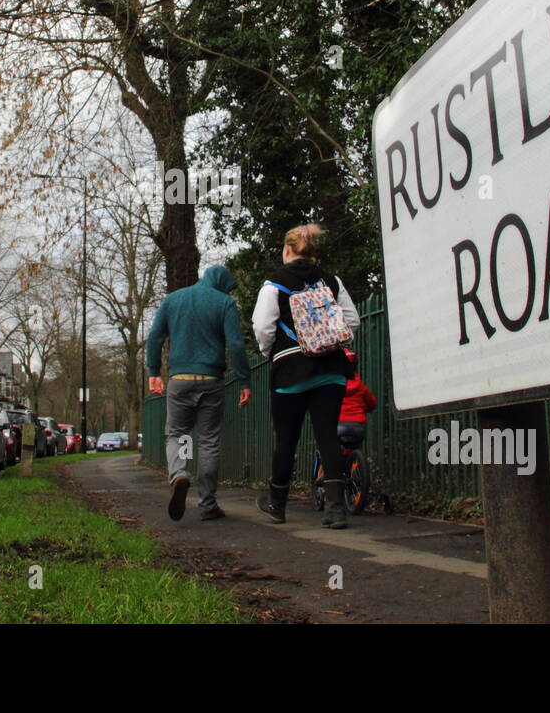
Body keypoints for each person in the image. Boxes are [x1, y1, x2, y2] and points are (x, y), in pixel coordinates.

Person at [252, 224, 360, 529]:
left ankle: (277, 504)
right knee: (328, 435)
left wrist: (270, 352)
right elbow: (352, 320)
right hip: (331, 370)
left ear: (287, 250)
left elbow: (262, 327)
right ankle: (336, 508)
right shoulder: (332, 280)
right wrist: (329, 339)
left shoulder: (275, 283)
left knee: (286, 438)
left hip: (290, 370)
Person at [146, 265, 252, 522]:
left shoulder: (173, 299)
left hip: (180, 380)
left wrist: (153, 371)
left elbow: (155, 336)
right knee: (208, 441)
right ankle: (207, 504)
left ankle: (179, 474)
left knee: (179, 435)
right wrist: (244, 380)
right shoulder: (224, 303)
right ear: (221, 284)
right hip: (211, 381)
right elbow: (236, 345)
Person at [337, 349, 377, 449]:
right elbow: (372, 403)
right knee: (355, 446)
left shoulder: (335, 386)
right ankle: (355, 461)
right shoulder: (361, 386)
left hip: (339, 424)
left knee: (331, 446)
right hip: (358, 425)